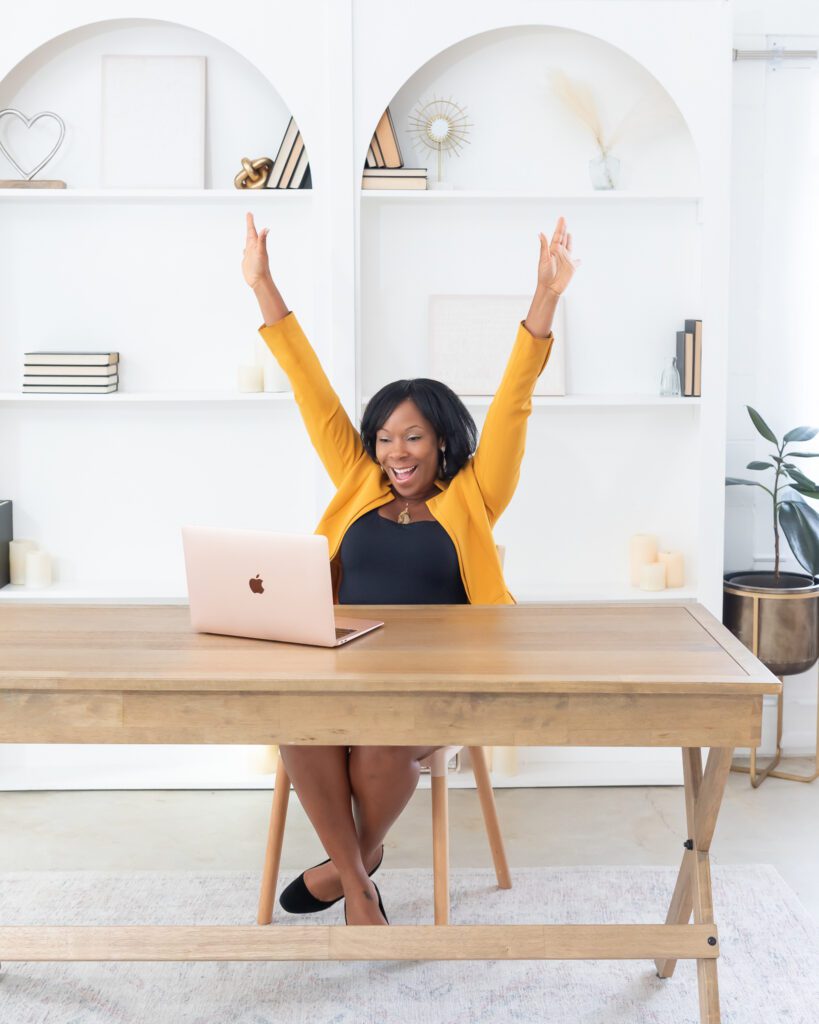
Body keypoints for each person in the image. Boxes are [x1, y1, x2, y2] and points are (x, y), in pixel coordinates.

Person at [242, 212, 580, 926]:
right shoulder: (356, 481)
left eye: (413, 437)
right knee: (297, 721)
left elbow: (514, 403)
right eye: (383, 437)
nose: (395, 452)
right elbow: (310, 389)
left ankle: (347, 868)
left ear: (442, 440)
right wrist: (263, 285)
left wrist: (544, 300)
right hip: (343, 664)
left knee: (382, 741)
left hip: (441, 678)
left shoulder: (473, 496)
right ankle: (361, 882)